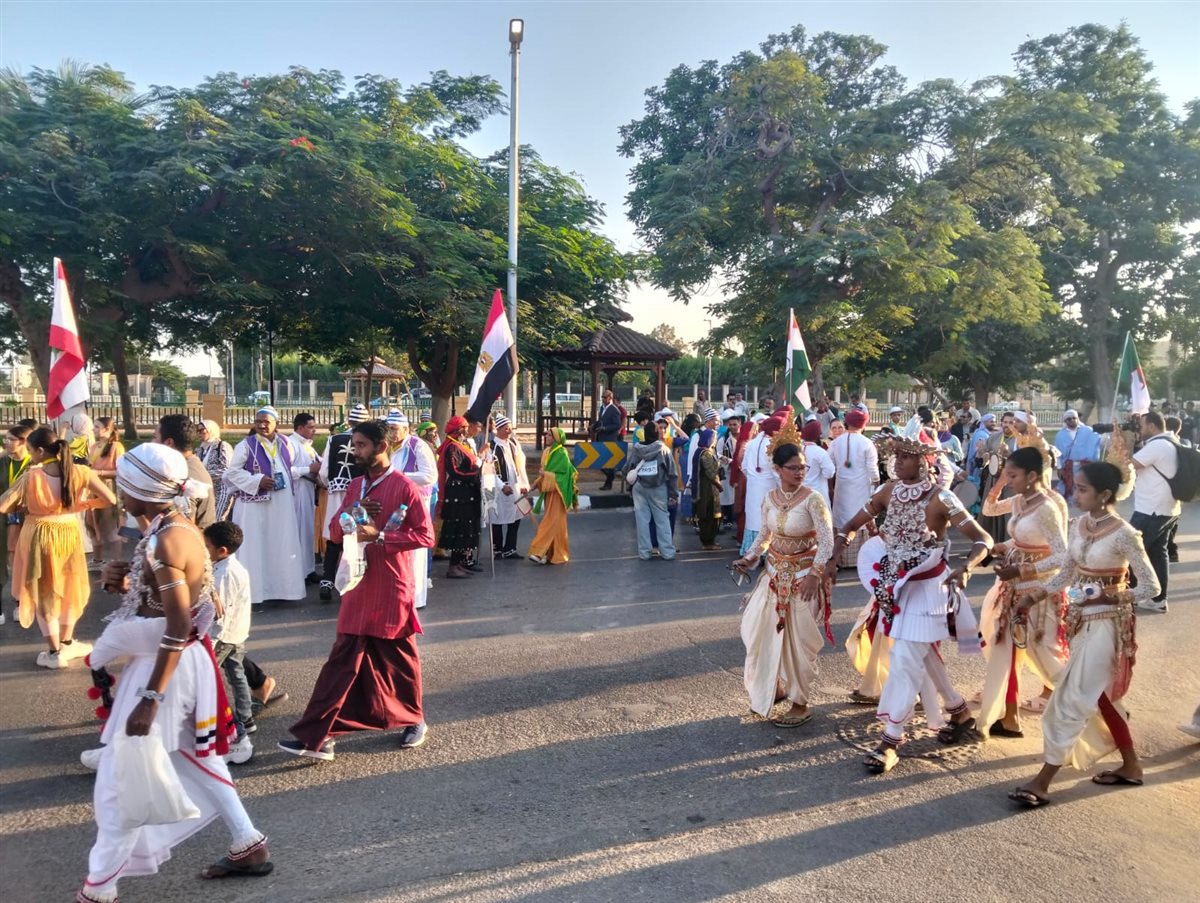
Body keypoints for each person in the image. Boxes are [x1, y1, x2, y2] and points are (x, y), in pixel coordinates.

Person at [79, 444, 272, 902]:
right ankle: (248, 843)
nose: (118, 493)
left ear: (143, 490)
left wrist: (151, 699)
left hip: (166, 668)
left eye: (124, 484)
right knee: (197, 759)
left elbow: (178, 624)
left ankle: (99, 888)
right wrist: (129, 582)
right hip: (180, 664)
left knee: (123, 779)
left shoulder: (166, 540)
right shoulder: (172, 527)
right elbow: (167, 601)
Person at [827, 434, 992, 773]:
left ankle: (890, 741)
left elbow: (983, 539)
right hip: (896, 587)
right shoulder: (887, 491)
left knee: (904, 658)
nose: (898, 461)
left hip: (931, 587)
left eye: (905, 456)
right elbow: (850, 526)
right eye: (896, 456)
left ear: (923, 461)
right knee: (920, 653)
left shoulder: (942, 497)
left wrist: (966, 567)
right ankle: (959, 711)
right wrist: (833, 558)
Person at [1008, 457, 1159, 807]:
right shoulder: (1078, 526)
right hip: (1078, 621)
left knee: (1070, 698)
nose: (1074, 495)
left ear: (1104, 495)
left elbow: (1151, 586)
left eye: (1082, 489)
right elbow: (1065, 575)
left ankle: (1043, 781)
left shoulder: (1124, 534)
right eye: (1075, 487)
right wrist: (1030, 597)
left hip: (1107, 625)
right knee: (1102, 697)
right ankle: (1131, 764)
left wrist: (1113, 595)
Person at [281, 420, 436, 760]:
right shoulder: (355, 487)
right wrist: (353, 512)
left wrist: (380, 536)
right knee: (343, 661)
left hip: (391, 586)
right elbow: (335, 533)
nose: (355, 451)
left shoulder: (404, 487)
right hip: (356, 584)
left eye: (362, 445)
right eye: (354, 444)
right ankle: (320, 734)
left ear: (382, 447)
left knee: (399, 660)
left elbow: (425, 536)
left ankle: (414, 719)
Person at [735, 432, 834, 728]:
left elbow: (827, 542)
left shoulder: (814, 500)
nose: (800, 472)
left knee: (799, 645)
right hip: (774, 578)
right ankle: (774, 688)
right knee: (761, 634)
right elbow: (765, 537)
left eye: (803, 467)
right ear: (777, 469)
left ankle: (800, 703)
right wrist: (749, 558)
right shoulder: (769, 498)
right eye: (793, 468)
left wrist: (814, 575)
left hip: (804, 580)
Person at [0, 427, 115, 668]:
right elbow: (110, 499)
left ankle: (54, 653)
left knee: (44, 592)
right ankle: (67, 642)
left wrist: (24, 506)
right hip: (68, 532)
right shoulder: (81, 472)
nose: (30, 455)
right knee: (70, 586)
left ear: (41, 451)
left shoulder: (31, 476)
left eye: (31, 451)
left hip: (38, 533)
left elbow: (3, 505)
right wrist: (82, 505)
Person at [976, 447, 1069, 738]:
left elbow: (1062, 556)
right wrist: (1003, 547)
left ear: (1032, 476)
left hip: (1038, 592)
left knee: (1046, 657)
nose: (1009, 480)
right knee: (1005, 650)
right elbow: (992, 513)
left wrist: (1022, 570)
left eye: (1013, 475)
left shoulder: (1048, 507)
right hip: (1011, 588)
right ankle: (1008, 717)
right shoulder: (1019, 501)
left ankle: (1096, 709)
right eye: (1007, 474)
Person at [222, 407, 306, 605]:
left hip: (282, 504)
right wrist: (257, 480)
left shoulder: (286, 443)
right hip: (254, 507)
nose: (261, 425)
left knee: (281, 542)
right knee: (255, 545)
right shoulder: (246, 445)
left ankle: (283, 590)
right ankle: (255, 593)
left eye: (266, 422)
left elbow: (290, 468)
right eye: (258, 421)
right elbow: (231, 473)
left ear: (276, 423)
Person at [205, 520, 257, 765]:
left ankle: (236, 727)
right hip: (237, 631)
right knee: (237, 675)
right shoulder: (229, 567)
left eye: (207, 546)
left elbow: (220, 614)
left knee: (209, 680)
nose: (204, 550)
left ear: (222, 550)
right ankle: (246, 717)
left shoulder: (224, 574)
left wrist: (212, 642)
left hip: (223, 636)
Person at [317, 403, 369, 601]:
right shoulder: (368, 440)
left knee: (334, 534)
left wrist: (329, 485)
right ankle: (353, 581)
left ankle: (327, 580)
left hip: (336, 493)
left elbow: (323, 472)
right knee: (357, 535)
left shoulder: (334, 439)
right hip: (360, 492)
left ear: (349, 421)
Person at [1129, 411, 1179, 614]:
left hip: (1151, 509)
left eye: (1142, 426)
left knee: (1131, 550)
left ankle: (1130, 595)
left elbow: (1127, 465)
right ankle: (1158, 599)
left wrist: (1122, 443)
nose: (1140, 430)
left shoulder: (1157, 445)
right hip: (1167, 508)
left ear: (1151, 426)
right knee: (1159, 553)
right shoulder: (1172, 442)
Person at [389, 410, 437, 607]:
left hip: (417, 502)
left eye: (394, 429)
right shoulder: (390, 447)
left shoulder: (418, 446)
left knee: (416, 549)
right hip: (397, 502)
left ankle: (416, 598)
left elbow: (429, 476)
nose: (391, 433)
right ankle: (400, 594)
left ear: (406, 429)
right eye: (389, 429)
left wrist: (400, 476)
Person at [827, 409, 878, 569]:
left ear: (847, 423)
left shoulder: (835, 443)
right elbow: (873, 471)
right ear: (863, 425)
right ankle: (861, 560)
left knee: (843, 518)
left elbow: (829, 467)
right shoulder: (867, 443)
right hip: (862, 488)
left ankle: (841, 559)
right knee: (861, 517)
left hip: (842, 488)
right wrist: (876, 487)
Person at [623, 420, 678, 561]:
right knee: (662, 520)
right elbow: (672, 473)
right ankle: (667, 552)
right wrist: (673, 493)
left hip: (639, 487)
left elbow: (626, 468)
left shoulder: (637, 449)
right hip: (658, 487)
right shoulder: (663, 449)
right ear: (657, 433)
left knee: (642, 521)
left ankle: (644, 552)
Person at [437, 416, 482, 579]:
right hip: (458, 495)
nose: (467, 430)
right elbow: (455, 471)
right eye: (465, 427)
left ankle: (460, 563)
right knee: (458, 530)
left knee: (466, 528)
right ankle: (453, 566)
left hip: (467, 494)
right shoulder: (452, 447)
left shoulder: (460, 445)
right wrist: (475, 473)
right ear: (459, 430)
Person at [528, 427, 578, 565]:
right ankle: (552, 554)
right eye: (546, 434)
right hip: (549, 493)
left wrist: (546, 475)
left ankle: (539, 552)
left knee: (549, 523)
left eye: (550, 435)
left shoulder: (561, 453)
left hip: (558, 494)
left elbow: (564, 476)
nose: (546, 436)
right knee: (556, 525)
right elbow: (544, 473)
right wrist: (536, 483)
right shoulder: (547, 452)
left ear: (556, 438)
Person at [157, 414, 215, 529]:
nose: (151, 443)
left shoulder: (184, 476)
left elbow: (183, 529)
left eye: (154, 437)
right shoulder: (187, 465)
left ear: (168, 442)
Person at [1, 425, 33, 613]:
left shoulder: (34, 464)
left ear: (24, 442)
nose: (6, 442)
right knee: (9, 558)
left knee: (25, 559)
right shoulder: (4, 461)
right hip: (5, 514)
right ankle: (16, 600)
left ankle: (22, 602)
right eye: (6, 438)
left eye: (11, 439)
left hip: (27, 516)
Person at [287, 413, 322, 584]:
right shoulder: (290, 444)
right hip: (297, 492)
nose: (314, 431)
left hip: (308, 491)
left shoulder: (307, 445)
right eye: (310, 427)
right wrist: (308, 469)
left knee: (308, 532)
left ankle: (309, 569)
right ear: (299, 428)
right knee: (299, 532)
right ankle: (299, 573)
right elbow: (286, 470)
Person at [739, 416, 782, 556]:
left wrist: (754, 479)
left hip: (753, 487)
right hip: (769, 488)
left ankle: (751, 551)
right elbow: (776, 471)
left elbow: (744, 467)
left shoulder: (751, 443)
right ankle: (765, 553)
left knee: (754, 519)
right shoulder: (773, 445)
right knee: (766, 519)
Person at [489, 415, 529, 560]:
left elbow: (521, 466)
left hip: (515, 487)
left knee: (516, 517)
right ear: (498, 429)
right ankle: (497, 550)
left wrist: (524, 484)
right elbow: (489, 471)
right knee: (497, 518)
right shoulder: (491, 447)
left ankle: (510, 548)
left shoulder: (514, 444)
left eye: (510, 428)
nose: (509, 431)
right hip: (499, 490)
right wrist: (501, 486)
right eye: (506, 428)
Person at [88, 417, 125, 567]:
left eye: (97, 427)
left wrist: (99, 473)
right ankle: (97, 560)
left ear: (107, 429)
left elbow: (121, 471)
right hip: (92, 489)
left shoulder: (116, 447)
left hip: (108, 488)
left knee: (110, 527)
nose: (94, 430)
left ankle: (115, 562)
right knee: (92, 525)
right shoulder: (94, 446)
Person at [1053, 409, 1101, 502]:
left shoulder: (1088, 431)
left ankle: (1086, 501)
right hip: (1069, 466)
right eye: (1069, 419)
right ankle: (1073, 501)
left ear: (1077, 418)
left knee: (1086, 483)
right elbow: (1058, 453)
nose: (1072, 420)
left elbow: (1097, 441)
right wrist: (1059, 468)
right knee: (1069, 485)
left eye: (1074, 418)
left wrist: (1106, 437)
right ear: (1065, 421)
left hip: (1085, 465)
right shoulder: (1060, 435)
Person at [692, 428, 723, 550]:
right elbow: (711, 473)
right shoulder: (706, 454)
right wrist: (719, 484)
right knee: (710, 515)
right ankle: (708, 542)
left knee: (705, 515)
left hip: (703, 487)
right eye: (714, 439)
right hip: (708, 489)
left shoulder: (699, 451)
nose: (715, 441)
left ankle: (708, 541)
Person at [197, 419, 234, 520]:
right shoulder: (200, 449)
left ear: (211, 430)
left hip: (222, 489)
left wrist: (204, 476)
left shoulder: (222, 446)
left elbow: (226, 470)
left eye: (202, 430)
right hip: (207, 491)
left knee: (217, 519)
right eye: (198, 431)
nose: (199, 433)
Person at [800, 420, 835, 507]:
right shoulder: (820, 452)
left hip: (800, 493)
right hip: (818, 492)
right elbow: (829, 473)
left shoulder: (797, 449)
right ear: (818, 436)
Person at [594, 389, 624, 490]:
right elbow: (601, 421)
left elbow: (617, 425)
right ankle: (610, 477)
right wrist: (594, 426)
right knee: (600, 462)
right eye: (602, 397)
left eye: (605, 397)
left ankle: (609, 480)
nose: (603, 399)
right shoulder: (602, 408)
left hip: (609, 439)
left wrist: (605, 428)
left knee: (607, 462)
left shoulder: (614, 410)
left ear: (610, 398)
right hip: (601, 438)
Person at [717, 410, 741, 527]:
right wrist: (726, 459)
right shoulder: (723, 439)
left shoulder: (745, 438)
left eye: (735, 424)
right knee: (727, 496)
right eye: (730, 425)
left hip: (741, 471)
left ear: (739, 424)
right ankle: (728, 519)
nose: (732, 427)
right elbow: (717, 453)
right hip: (728, 470)